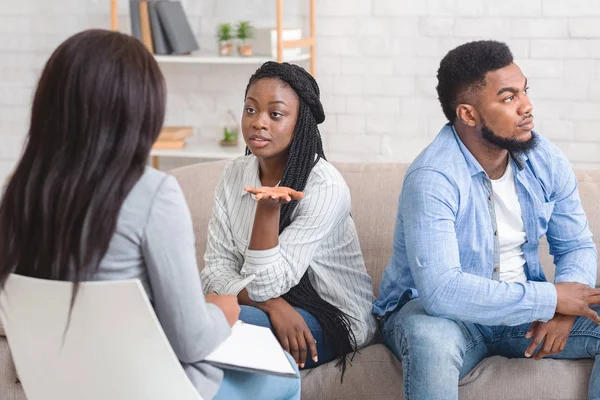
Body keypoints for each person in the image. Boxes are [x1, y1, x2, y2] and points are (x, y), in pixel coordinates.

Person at [0, 29, 300, 400]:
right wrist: (224, 309)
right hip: (153, 390)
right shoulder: (152, 192)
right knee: (286, 374)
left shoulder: (16, 193)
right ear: (140, 108)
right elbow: (192, 342)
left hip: (63, 389)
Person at [373, 40, 600, 399]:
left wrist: (564, 309)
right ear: (468, 114)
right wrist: (549, 298)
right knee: (430, 338)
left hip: (525, 314)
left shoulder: (545, 158)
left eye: (525, 91)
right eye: (509, 98)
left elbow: (576, 245)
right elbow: (442, 292)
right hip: (443, 317)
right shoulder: (434, 176)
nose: (527, 107)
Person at [202, 61, 377, 374]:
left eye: (276, 114)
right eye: (251, 110)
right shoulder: (233, 175)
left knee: (225, 327)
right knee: (212, 324)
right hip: (271, 306)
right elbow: (215, 271)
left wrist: (267, 209)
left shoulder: (324, 185)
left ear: (300, 123)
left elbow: (265, 284)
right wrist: (272, 305)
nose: (258, 123)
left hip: (332, 314)